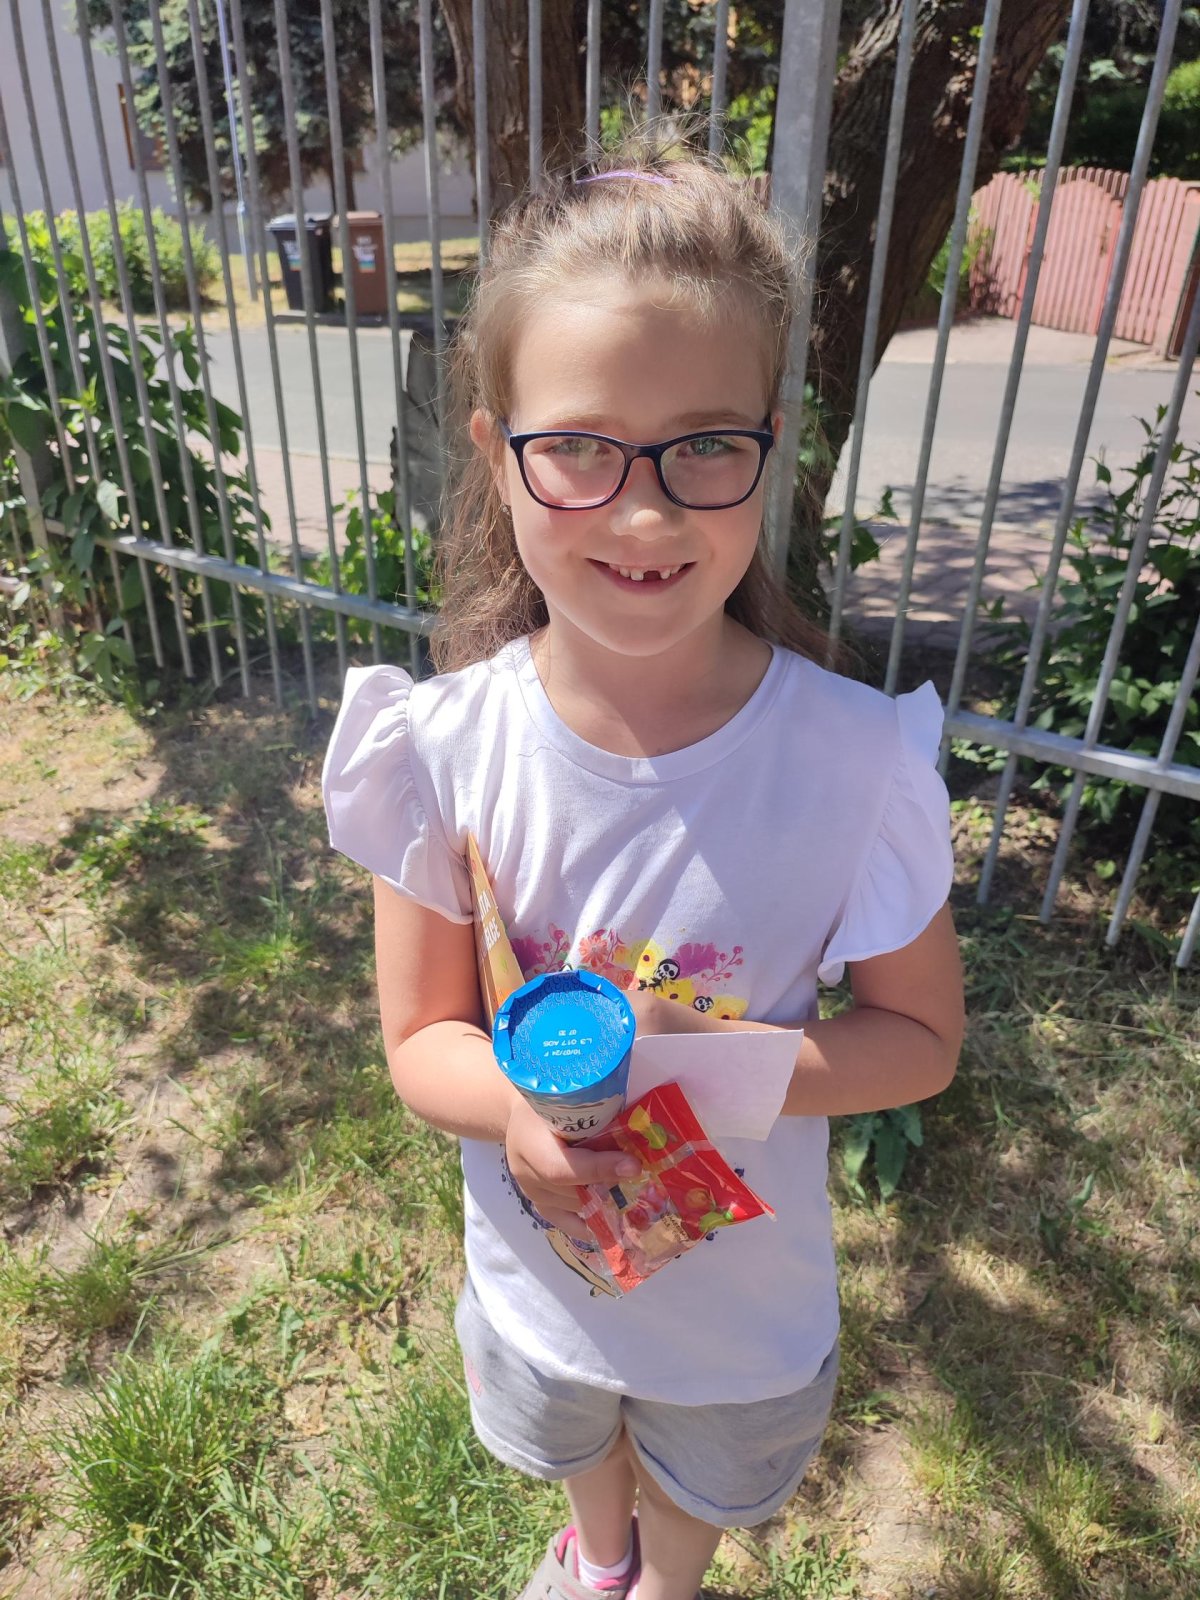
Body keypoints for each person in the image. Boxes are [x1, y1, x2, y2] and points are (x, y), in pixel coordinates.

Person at [322, 145, 965, 1600]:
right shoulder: (439, 752)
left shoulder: (855, 764)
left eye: (703, 445)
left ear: (770, 445)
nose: (645, 511)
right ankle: (597, 1554)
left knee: (701, 1483)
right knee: (577, 1433)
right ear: (497, 452)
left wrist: (710, 1066)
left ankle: (662, 1580)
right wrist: (519, 1114)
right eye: (580, 447)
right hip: (541, 1279)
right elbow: (422, 1041)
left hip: (742, 1322)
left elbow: (921, 1042)